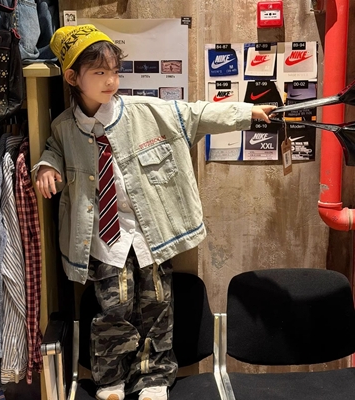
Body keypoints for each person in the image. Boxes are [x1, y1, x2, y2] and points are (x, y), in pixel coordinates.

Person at [33, 24, 275, 400]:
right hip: (103, 238)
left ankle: (154, 377)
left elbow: (196, 113)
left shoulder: (144, 111)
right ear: (72, 77)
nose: (111, 80)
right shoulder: (65, 127)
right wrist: (46, 166)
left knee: (158, 304)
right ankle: (110, 379)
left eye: (115, 71)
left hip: (149, 232)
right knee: (112, 308)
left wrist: (246, 112)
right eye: (99, 72)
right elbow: (53, 148)